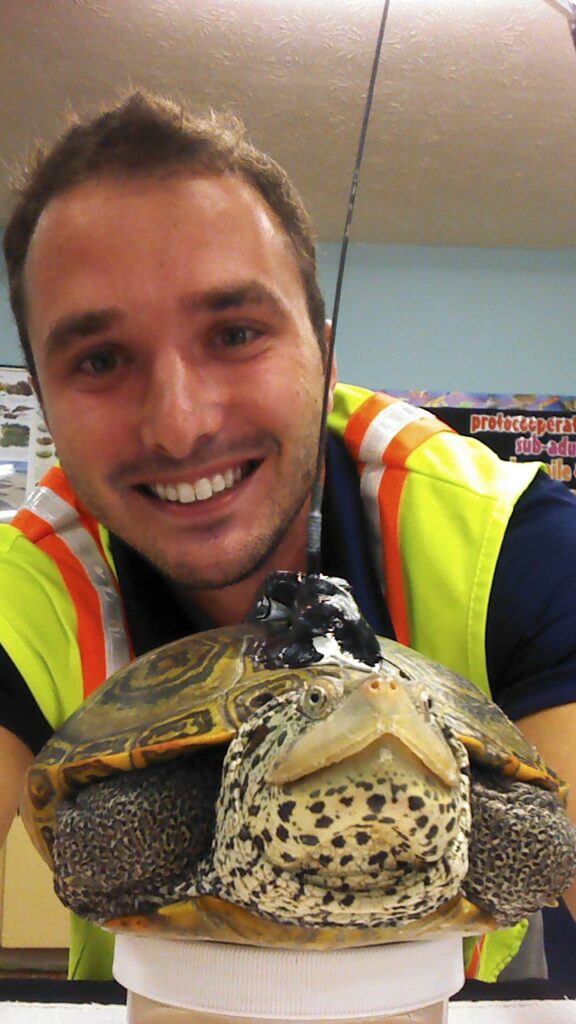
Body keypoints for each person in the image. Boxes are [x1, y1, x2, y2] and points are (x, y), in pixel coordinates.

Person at [0, 92, 575, 988]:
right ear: (41, 396)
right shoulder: (27, 580)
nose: (180, 426)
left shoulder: (508, 538)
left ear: (325, 353)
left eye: (235, 333)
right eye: (101, 360)